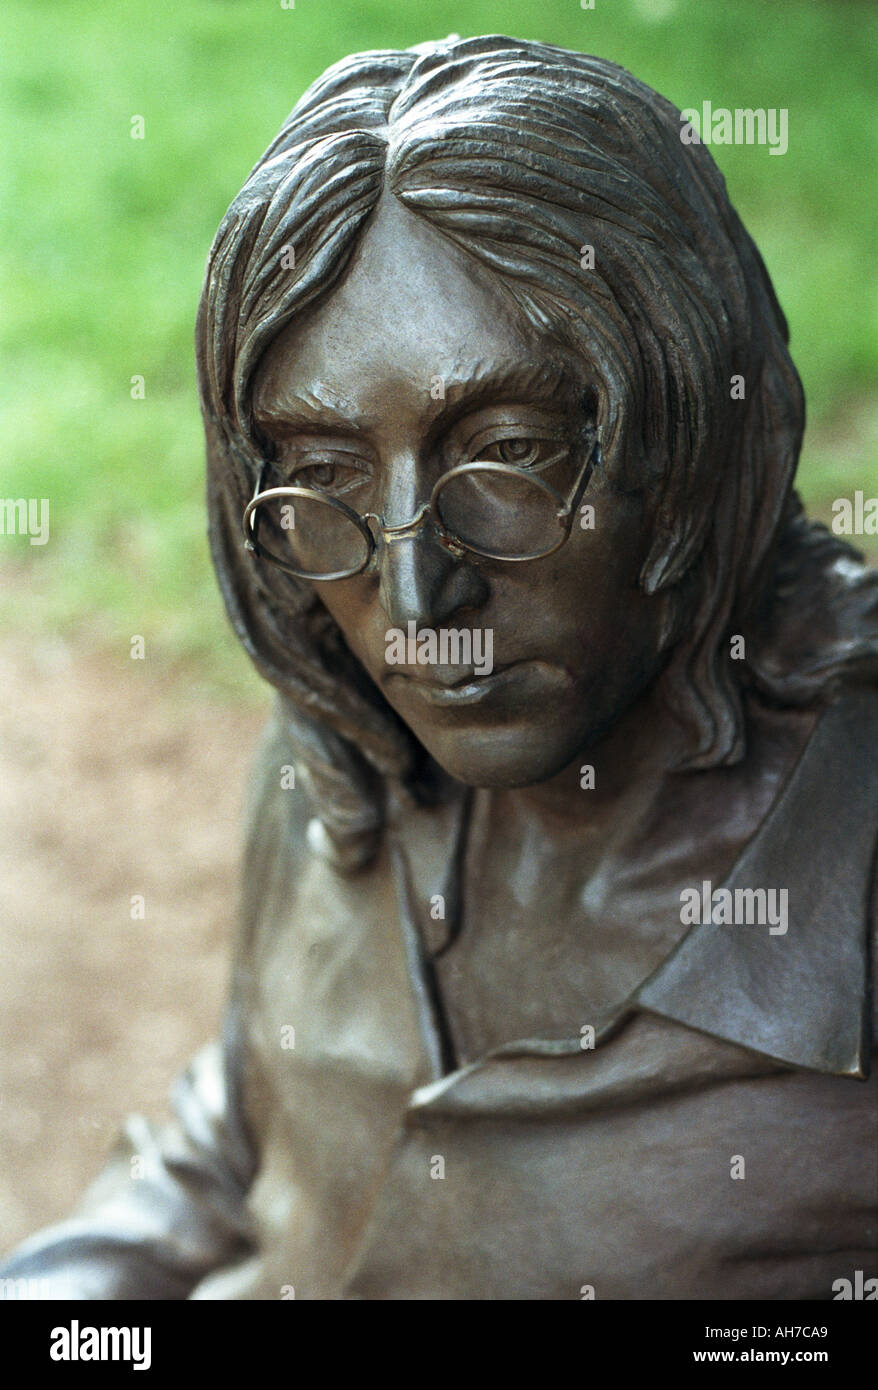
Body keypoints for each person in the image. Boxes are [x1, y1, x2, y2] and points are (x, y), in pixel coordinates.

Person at [2, 34, 877, 1300]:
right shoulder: (342, 755)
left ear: (685, 427)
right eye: (326, 477)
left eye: (509, 456)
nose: (415, 600)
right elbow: (245, 1137)